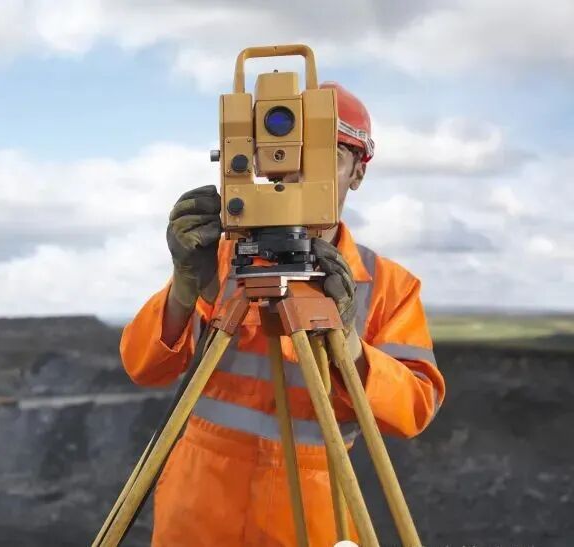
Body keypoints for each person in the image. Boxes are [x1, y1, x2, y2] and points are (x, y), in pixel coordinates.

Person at [119, 82, 446, 547]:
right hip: (197, 512)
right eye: (288, 155)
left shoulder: (387, 285)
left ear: (358, 172)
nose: (299, 174)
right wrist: (184, 286)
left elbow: (413, 409)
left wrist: (345, 338)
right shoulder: (218, 259)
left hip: (311, 518)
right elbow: (144, 367)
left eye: (325, 156)